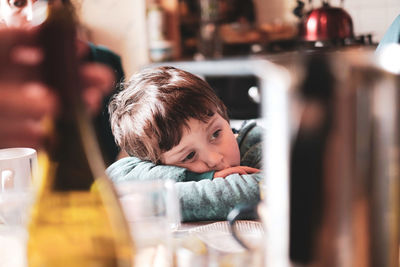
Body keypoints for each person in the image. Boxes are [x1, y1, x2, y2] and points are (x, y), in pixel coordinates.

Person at [107, 66, 263, 222]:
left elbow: (270, 190)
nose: (214, 159)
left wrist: (155, 201)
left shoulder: (259, 142)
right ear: (157, 164)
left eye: (215, 134)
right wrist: (199, 176)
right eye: (189, 155)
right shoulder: (142, 167)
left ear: (223, 113)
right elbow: (114, 177)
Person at [0, 0, 124, 165]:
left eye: (47, 1)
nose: (33, 16)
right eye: (18, 3)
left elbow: (113, 151)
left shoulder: (104, 62)